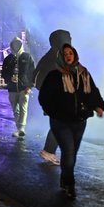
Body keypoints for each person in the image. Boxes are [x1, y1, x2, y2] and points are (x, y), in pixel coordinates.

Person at [38, 44, 104, 199]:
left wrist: (98, 106)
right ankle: (70, 184)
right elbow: (44, 97)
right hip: (60, 122)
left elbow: (92, 92)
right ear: (61, 57)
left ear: (75, 55)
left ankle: (64, 179)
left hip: (79, 121)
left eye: (70, 53)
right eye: (65, 54)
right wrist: (53, 112)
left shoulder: (83, 74)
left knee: (72, 153)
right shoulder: (54, 75)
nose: (68, 56)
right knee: (68, 152)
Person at [33, 29, 72, 166]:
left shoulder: (51, 55)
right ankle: (49, 151)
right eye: (67, 38)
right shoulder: (58, 55)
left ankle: (50, 151)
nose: (70, 40)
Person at [1, 37, 35, 138]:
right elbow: (3, 73)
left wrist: (29, 86)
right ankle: (18, 128)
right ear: (11, 45)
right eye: (14, 44)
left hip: (23, 88)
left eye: (18, 44)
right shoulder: (8, 59)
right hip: (12, 88)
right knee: (15, 109)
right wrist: (8, 79)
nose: (16, 46)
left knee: (23, 108)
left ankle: (21, 128)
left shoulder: (27, 57)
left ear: (21, 45)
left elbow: (33, 72)